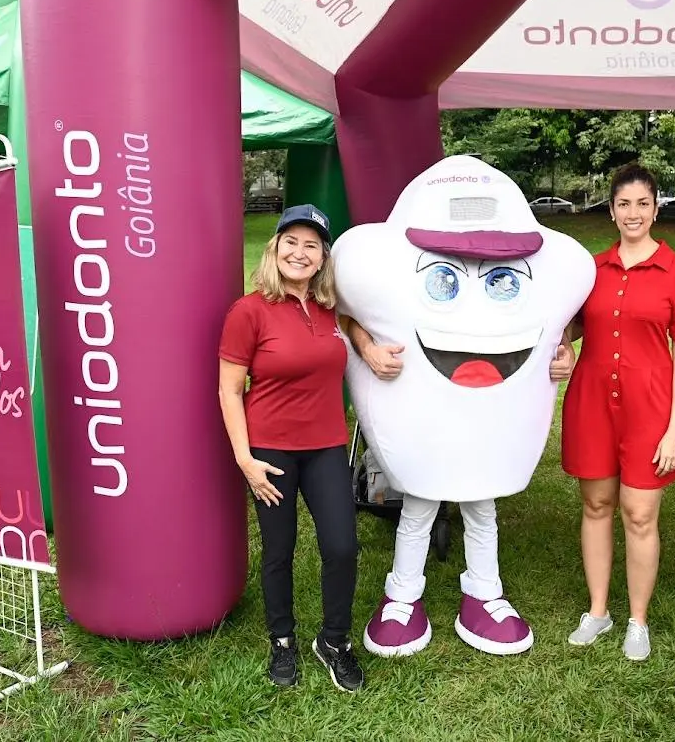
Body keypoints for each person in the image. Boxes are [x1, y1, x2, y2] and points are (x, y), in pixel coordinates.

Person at [332, 155, 594, 659]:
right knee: (418, 504)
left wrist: (561, 350)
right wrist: (365, 346)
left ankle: (484, 592)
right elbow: (341, 311)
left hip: (485, 426)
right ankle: (403, 596)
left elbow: (559, 323)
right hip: (428, 424)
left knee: (482, 504)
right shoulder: (371, 273)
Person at [217, 204, 363, 692]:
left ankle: (334, 642)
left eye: (312, 245)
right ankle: (282, 640)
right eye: (291, 242)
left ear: (323, 257)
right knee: (279, 550)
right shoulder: (250, 310)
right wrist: (245, 459)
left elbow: (352, 325)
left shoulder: (328, 309)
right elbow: (229, 389)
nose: (300, 253)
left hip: (326, 447)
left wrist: (371, 347)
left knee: (341, 547)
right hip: (270, 452)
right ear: (274, 247)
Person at [561, 163, 675, 661]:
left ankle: (637, 620)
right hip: (592, 403)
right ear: (612, 210)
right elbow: (571, 327)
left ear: (656, 208)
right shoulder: (591, 271)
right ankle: (598, 611)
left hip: (649, 407)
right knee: (596, 505)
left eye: (643, 203)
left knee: (639, 513)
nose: (633, 213)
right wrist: (562, 348)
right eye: (624, 204)